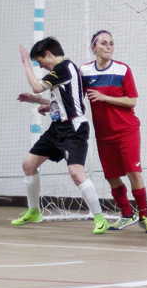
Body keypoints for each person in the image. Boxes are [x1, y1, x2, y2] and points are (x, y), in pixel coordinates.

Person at [15, 37, 109, 234]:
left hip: (74, 128)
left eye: (40, 62)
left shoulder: (64, 67)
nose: (41, 66)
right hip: (57, 128)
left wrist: (26, 63)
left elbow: (36, 86)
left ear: (48, 54)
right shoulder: (62, 72)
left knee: (76, 172)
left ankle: (99, 217)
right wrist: (45, 104)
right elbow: (67, 100)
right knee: (28, 165)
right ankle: (34, 211)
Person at [79, 30, 147, 234]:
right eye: (103, 43)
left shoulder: (122, 70)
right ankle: (126, 214)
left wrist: (105, 98)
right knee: (112, 176)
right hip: (104, 134)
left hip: (127, 130)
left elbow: (131, 100)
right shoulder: (84, 71)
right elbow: (76, 100)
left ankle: (144, 216)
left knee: (134, 172)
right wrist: (48, 105)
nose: (108, 47)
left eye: (111, 43)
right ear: (93, 47)